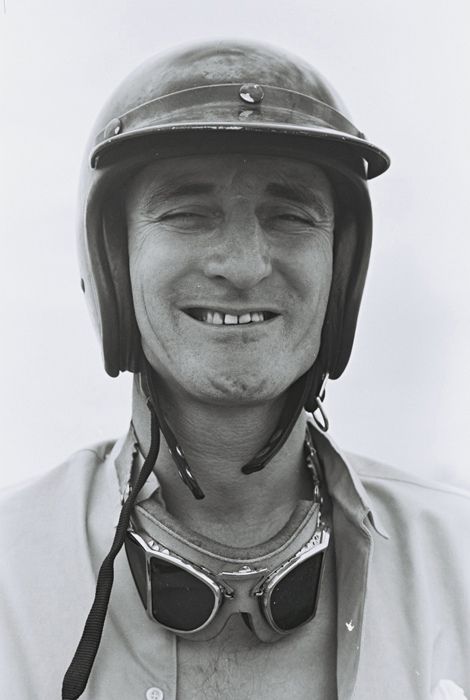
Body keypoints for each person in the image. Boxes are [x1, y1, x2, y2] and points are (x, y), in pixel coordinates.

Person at [1, 40, 469, 700]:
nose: (245, 264)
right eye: (188, 214)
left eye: (289, 216)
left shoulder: (460, 563)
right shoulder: (8, 574)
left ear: (342, 271)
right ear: (113, 262)